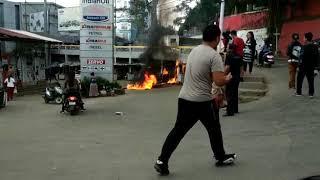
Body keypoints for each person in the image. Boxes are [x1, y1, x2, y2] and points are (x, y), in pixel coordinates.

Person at [154, 25, 236, 176]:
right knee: (213, 129)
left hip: (184, 98)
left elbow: (202, 73)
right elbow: (218, 81)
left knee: (178, 131)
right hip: (202, 101)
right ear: (217, 38)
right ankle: (220, 157)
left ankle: (161, 161)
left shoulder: (195, 51)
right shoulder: (214, 55)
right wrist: (228, 78)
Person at [296, 32, 319, 97]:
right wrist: (316, 68)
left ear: (306, 38)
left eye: (304, 37)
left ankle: (299, 93)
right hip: (311, 67)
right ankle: (311, 94)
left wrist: (298, 66)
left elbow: (301, 58)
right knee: (311, 80)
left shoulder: (304, 47)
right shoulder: (315, 47)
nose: (303, 38)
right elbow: (317, 58)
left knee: (299, 80)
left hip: (303, 66)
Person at [224, 44, 242, 116]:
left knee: (229, 94)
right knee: (235, 93)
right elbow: (241, 67)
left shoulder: (229, 56)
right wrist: (240, 76)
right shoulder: (239, 56)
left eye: (228, 48)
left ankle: (230, 111)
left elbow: (227, 67)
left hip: (230, 76)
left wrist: (223, 74)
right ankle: (235, 109)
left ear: (230, 49)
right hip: (237, 77)